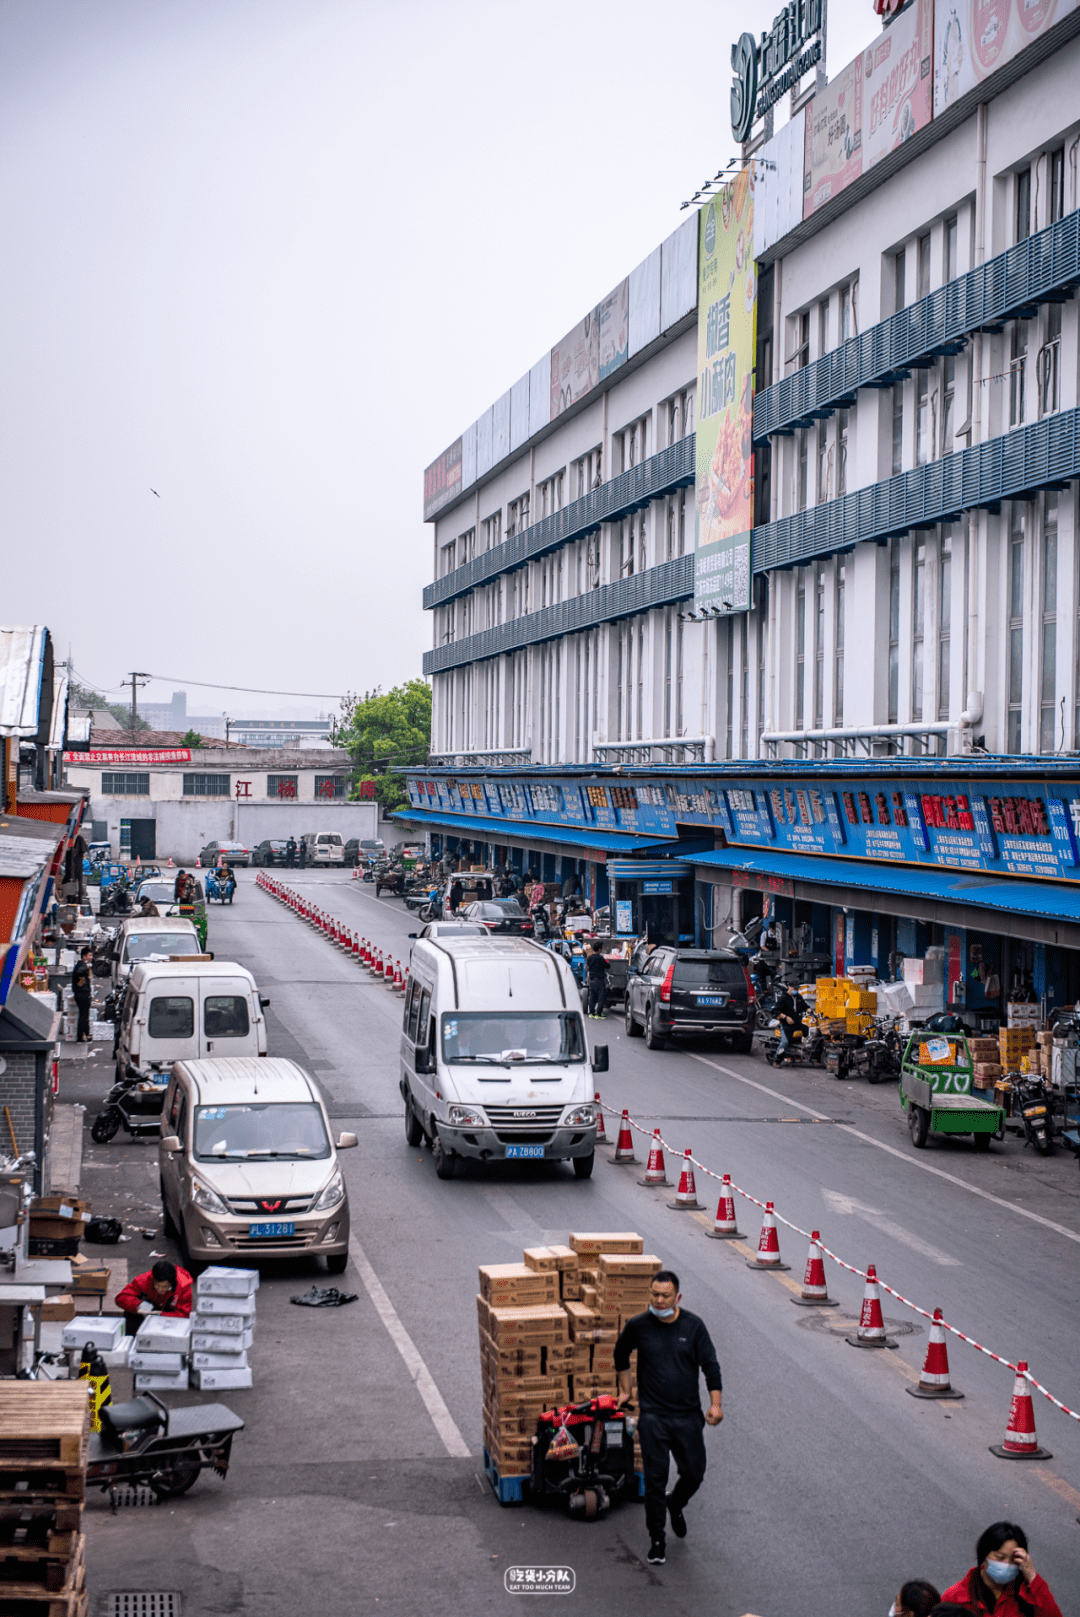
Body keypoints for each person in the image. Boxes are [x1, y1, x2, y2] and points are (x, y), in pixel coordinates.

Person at [614, 1270, 723, 1567]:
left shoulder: (694, 1326)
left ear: (677, 1298)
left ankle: (676, 1502)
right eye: (654, 1294)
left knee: (694, 1472)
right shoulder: (638, 1326)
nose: (659, 1300)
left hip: (688, 1417)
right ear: (649, 1293)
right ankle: (657, 1540)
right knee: (654, 1480)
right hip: (653, 1418)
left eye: (665, 1296)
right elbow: (620, 1354)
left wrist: (716, 1405)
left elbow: (711, 1367)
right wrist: (625, 1390)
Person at [940, 1522, 1063, 1615]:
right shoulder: (955, 1597)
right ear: (984, 1555)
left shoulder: (1029, 1594)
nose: (1007, 1564)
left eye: (1013, 1560)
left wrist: (1032, 1577)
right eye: (1000, 1557)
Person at [116, 1259, 193, 1336]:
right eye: (157, 1285)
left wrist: (160, 1315)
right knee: (130, 1315)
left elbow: (184, 1314)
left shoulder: (183, 1287)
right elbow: (121, 1297)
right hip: (146, 1313)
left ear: (172, 1283)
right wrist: (138, 1305)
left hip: (169, 1318)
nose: (160, 1289)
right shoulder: (144, 1280)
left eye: (164, 1287)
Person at [773, 983, 808, 1060]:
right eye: (794, 988)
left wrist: (808, 1010)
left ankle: (806, 1054)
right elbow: (776, 1011)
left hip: (797, 1023)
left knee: (809, 1032)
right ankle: (777, 1059)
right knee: (785, 1042)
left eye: (797, 989)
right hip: (786, 1025)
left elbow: (805, 1006)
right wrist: (786, 1017)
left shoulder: (798, 997)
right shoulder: (783, 998)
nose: (796, 990)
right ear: (789, 987)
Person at [71, 946, 93, 1042]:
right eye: (89, 955)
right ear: (84, 956)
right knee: (84, 1015)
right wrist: (86, 969)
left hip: (79, 993)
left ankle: (83, 1036)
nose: (91, 957)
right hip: (83, 993)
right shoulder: (82, 965)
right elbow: (80, 972)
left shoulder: (79, 965)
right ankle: (83, 1036)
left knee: (83, 1014)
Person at [585, 945, 609, 1018]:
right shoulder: (601, 958)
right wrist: (607, 961)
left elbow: (586, 967)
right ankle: (599, 1014)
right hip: (599, 980)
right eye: (601, 948)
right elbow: (608, 966)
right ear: (599, 949)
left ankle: (592, 1013)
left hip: (592, 980)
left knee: (592, 997)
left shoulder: (589, 958)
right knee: (601, 997)